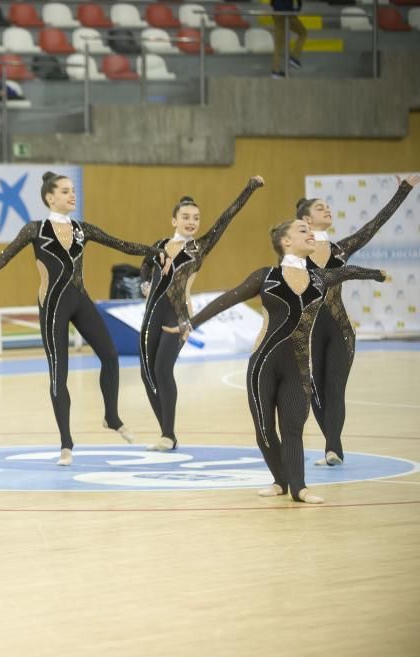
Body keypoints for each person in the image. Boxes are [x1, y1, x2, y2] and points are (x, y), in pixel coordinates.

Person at [167, 220, 388, 504]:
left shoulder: (321, 278)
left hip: (298, 366)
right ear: (285, 241)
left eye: (310, 230)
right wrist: (189, 323)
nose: (310, 233)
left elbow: (349, 271)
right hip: (263, 365)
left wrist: (376, 274)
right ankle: (280, 481)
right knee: (264, 429)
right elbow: (226, 300)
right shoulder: (266, 277)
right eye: (302, 230)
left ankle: (299, 488)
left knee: (293, 427)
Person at [0, 172, 162, 465]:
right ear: (50, 197)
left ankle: (111, 416)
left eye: (73, 191)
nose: (72, 195)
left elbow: (121, 244)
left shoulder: (82, 229)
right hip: (53, 305)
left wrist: (155, 251)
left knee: (110, 356)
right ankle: (66, 443)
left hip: (80, 300)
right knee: (60, 373)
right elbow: (4, 255)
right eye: (65, 191)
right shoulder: (35, 229)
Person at [297, 175, 419, 466]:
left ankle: (333, 449)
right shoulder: (297, 255)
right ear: (306, 219)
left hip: (340, 329)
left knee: (335, 389)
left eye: (328, 206)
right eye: (320, 207)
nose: (327, 210)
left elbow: (374, 225)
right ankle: (333, 445)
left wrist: (404, 189)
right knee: (315, 389)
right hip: (309, 330)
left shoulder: (341, 249)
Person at [138, 177, 264, 452]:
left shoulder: (201, 246)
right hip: (150, 316)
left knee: (162, 369)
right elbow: (145, 265)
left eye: (196, 217)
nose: (192, 221)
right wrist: (144, 283)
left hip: (178, 315)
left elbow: (227, 217)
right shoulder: (159, 244)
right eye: (185, 217)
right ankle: (166, 433)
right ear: (174, 220)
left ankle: (168, 435)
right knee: (147, 373)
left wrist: (250, 189)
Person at [270, 0, 307, 79]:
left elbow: (272, 2)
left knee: (278, 44)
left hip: (276, 13)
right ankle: (294, 56)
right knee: (303, 33)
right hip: (287, 13)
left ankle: (275, 70)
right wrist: (299, 6)